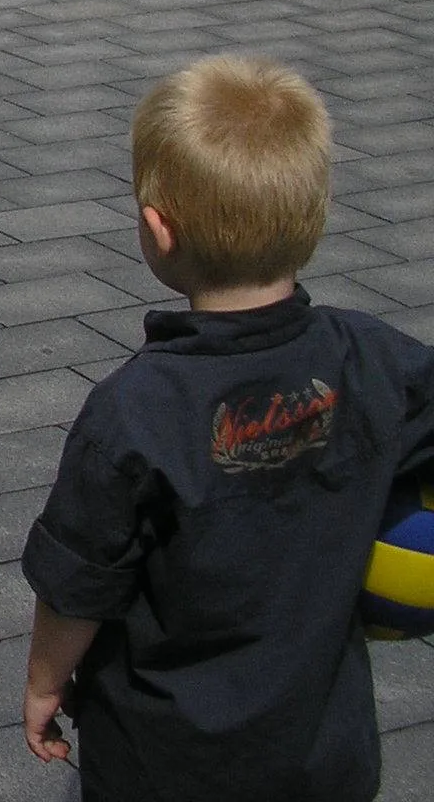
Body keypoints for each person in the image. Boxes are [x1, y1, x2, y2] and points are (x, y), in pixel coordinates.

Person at [21, 55, 434, 802]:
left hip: (167, 761)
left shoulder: (133, 410)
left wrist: (45, 683)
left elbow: (77, 583)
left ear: (159, 231)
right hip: (323, 753)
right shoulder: (368, 358)